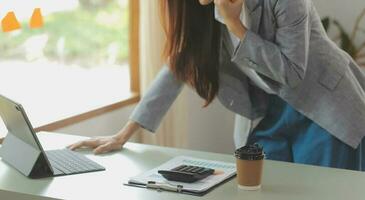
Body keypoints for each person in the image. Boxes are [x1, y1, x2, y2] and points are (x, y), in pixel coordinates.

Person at [68, 0, 365, 170]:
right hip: (270, 112)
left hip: (324, 106)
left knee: (322, 190)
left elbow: (291, 73)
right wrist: (124, 133)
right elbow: (178, 65)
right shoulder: (203, 7)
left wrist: (235, 24)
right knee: (266, 186)